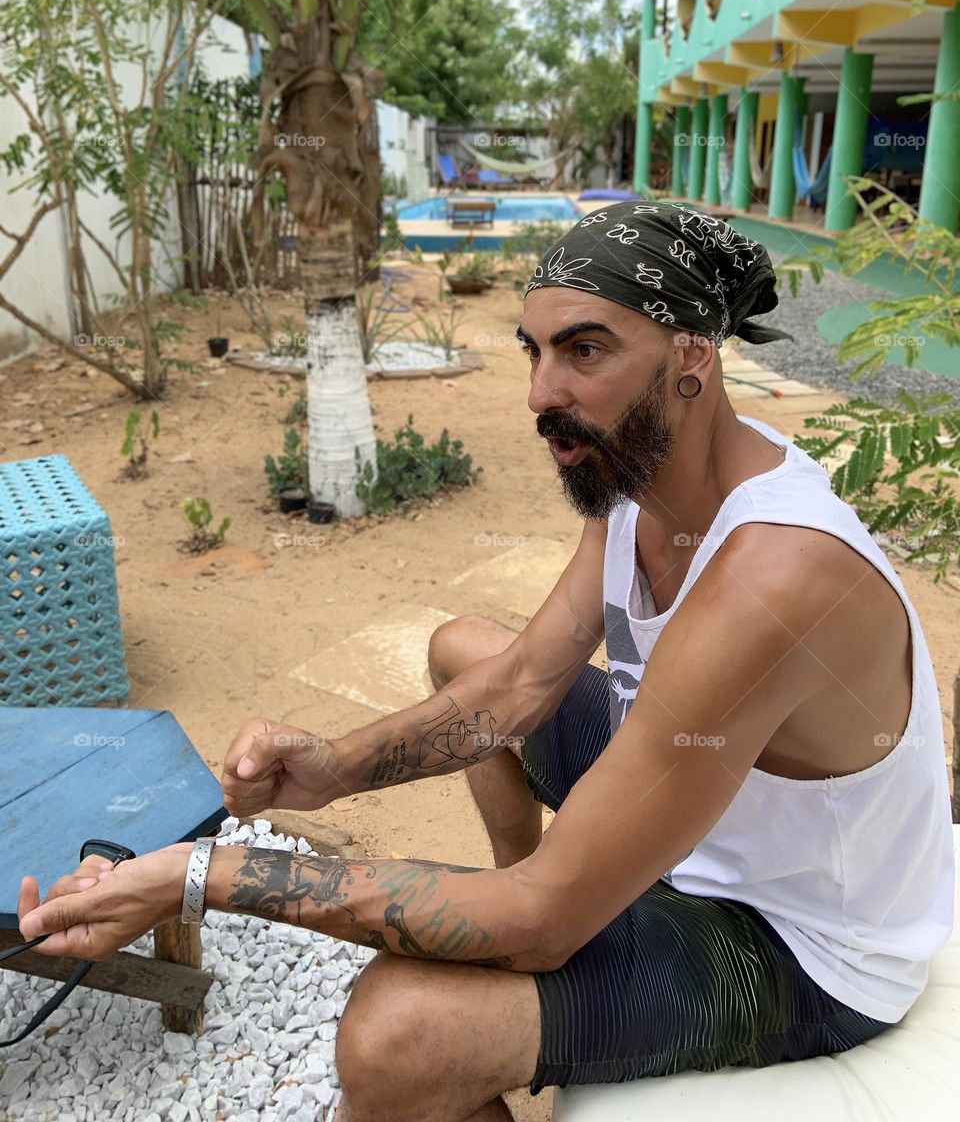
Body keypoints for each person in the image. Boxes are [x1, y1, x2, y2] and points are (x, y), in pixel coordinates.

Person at [17, 201, 955, 1122]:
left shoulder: (776, 574)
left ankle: (529, 906)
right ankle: (529, 883)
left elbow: (544, 917)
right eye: (533, 351)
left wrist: (195, 874)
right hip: (705, 823)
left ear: (690, 361)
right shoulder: (645, 481)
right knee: (464, 649)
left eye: (584, 350)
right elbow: (517, 684)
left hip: (802, 943)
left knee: (397, 1034)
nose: (542, 393)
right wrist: (335, 769)